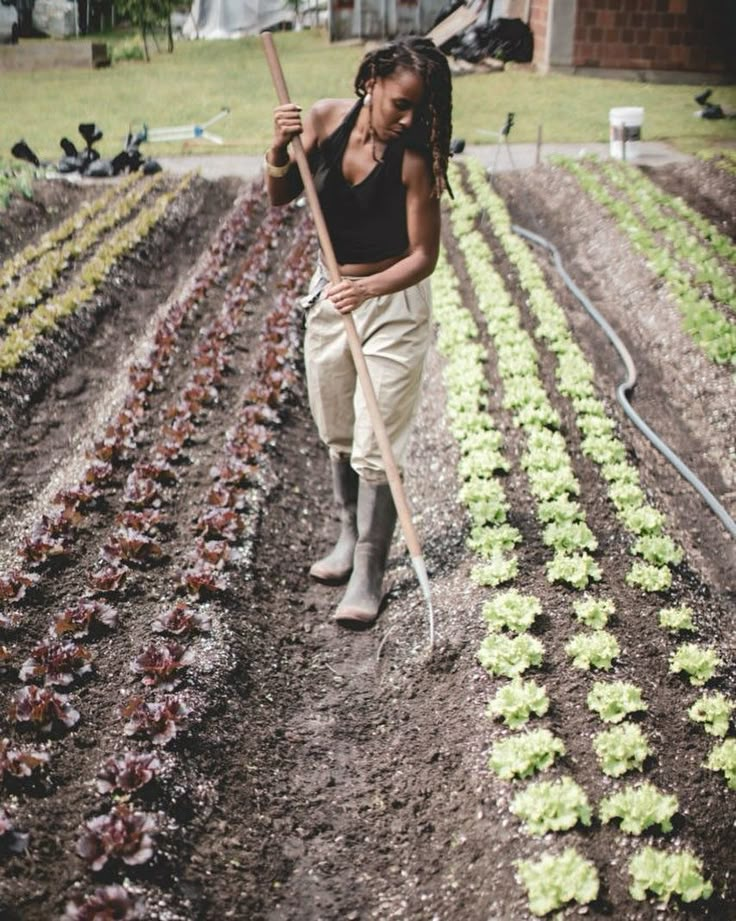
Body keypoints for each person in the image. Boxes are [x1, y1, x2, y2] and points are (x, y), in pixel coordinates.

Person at [265, 36, 452, 625]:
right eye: (400, 103)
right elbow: (279, 196)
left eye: (420, 110)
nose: (408, 119)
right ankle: (348, 536)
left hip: (391, 302)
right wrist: (276, 148)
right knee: (339, 426)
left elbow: (424, 256)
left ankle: (370, 568)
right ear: (370, 80)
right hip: (332, 295)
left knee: (378, 440)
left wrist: (368, 288)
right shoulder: (322, 121)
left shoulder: (416, 160)